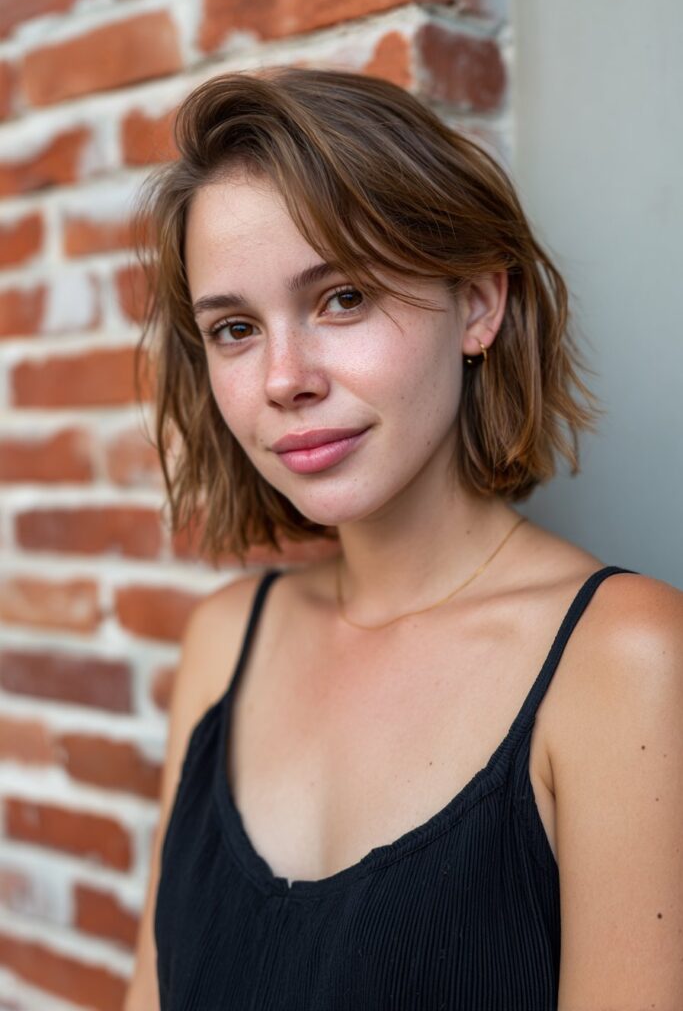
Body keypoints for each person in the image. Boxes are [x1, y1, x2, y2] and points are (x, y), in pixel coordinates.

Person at [123, 67, 682, 1011]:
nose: (283, 378)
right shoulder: (225, 641)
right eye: (233, 328)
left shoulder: (624, 661)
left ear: (477, 304)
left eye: (341, 297)